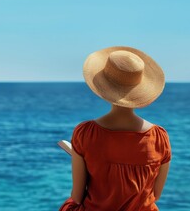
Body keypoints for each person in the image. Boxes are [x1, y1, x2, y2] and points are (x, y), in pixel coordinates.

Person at [59, 46, 172, 211]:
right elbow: (156, 195)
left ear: (104, 88)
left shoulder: (85, 133)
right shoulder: (159, 137)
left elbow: (77, 197)